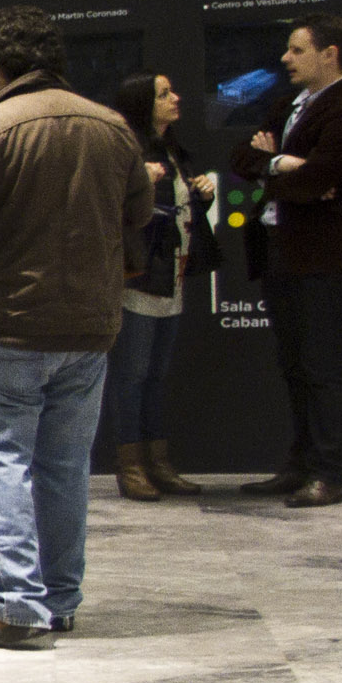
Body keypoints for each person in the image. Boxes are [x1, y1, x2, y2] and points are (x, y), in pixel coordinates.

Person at [0, 5, 152, 647]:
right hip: (87, 331)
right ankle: (57, 599)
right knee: (63, 466)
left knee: (2, 462)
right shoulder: (113, 128)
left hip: (2, 331)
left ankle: (16, 606)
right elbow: (139, 215)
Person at [230, 13, 342, 508]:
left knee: (322, 366)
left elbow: (323, 182)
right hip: (280, 253)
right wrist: (279, 164)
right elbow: (241, 158)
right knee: (294, 365)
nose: (286, 59)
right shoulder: (289, 103)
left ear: (328, 54)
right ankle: (301, 464)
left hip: (321, 256)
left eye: (296, 50)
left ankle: (328, 473)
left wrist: (293, 172)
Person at [104, 72, 219, 501]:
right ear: (142, 104)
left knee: (155, 375)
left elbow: (179, 208)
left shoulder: (173, 149)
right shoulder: (126, 148)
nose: (175, 98)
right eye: (164, 94)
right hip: (138, 278)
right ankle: (130, 465)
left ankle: (158, 461)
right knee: (132, 375)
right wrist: (139, 183)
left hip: (171, 274)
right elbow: (107, 205)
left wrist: (200, 194)